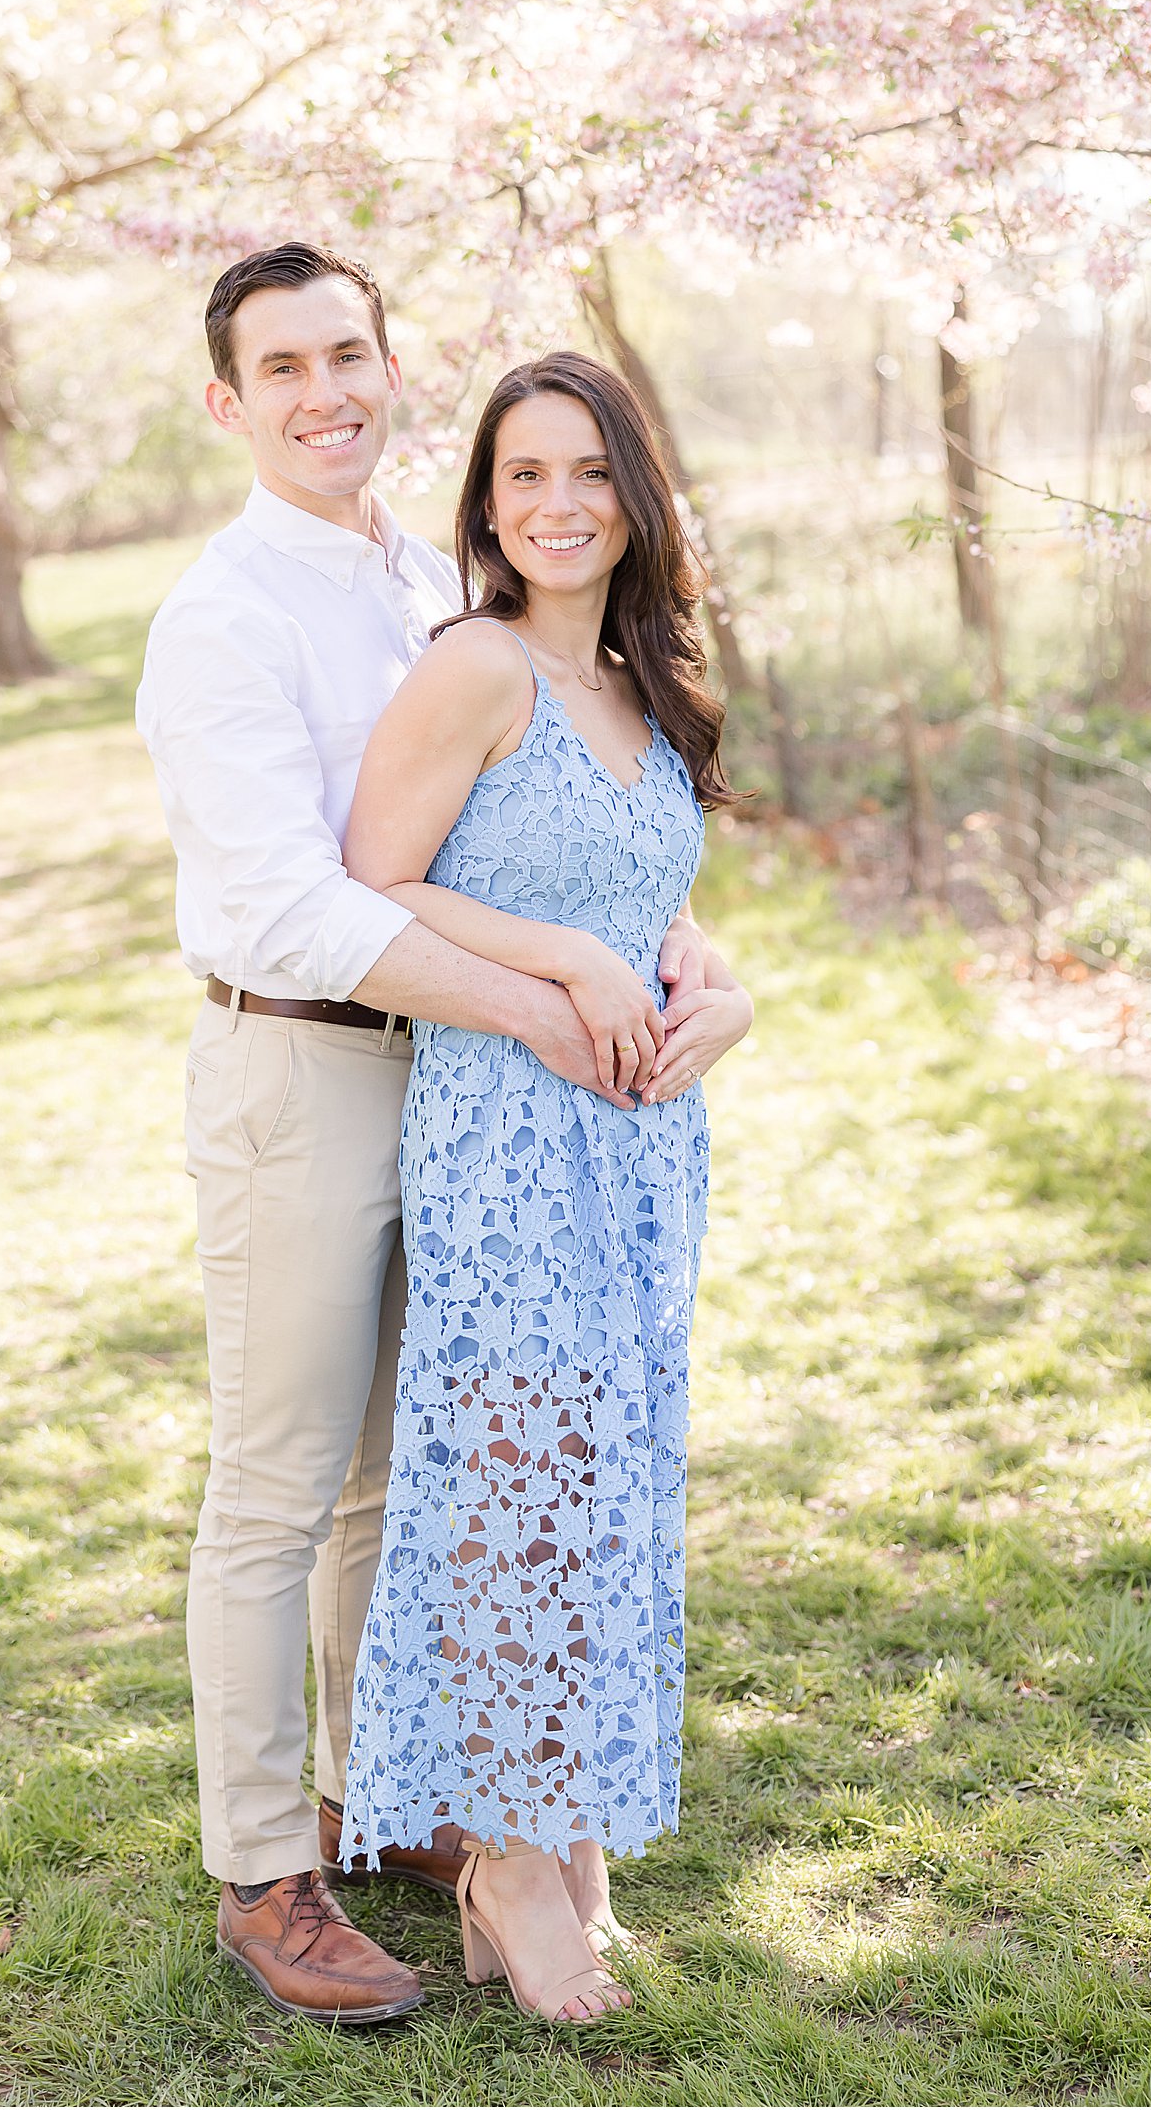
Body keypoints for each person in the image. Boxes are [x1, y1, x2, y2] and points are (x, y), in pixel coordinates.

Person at [135, 246, 737, 2026]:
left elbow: (547, 829)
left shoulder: (431, 577)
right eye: (284, 368)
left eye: (352, 356)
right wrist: (556, 993)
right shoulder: (221, 616)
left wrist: (667, 961)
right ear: (230, 402)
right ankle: (266, 1867)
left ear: (393, 372)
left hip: (474, 1083)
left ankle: (405, 1800)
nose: (327, 394)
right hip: (305, 1061)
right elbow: (302, 905)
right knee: (279, 1482)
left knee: (419, 1480)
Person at [336, 351, 753, 2024]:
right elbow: (375, 878)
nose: (559, 503)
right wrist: (563, 954)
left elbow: (657, 892)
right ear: (488, 505)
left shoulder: (646, 689)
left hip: (643, 1150)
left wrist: (721, 989)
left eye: (588, 470)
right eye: (524, 475)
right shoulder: (477, 668)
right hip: (508, 1132)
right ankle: (502, 1856)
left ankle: (568, 1826)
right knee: (519, 1482)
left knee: (605, 1485)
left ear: (631, 492)